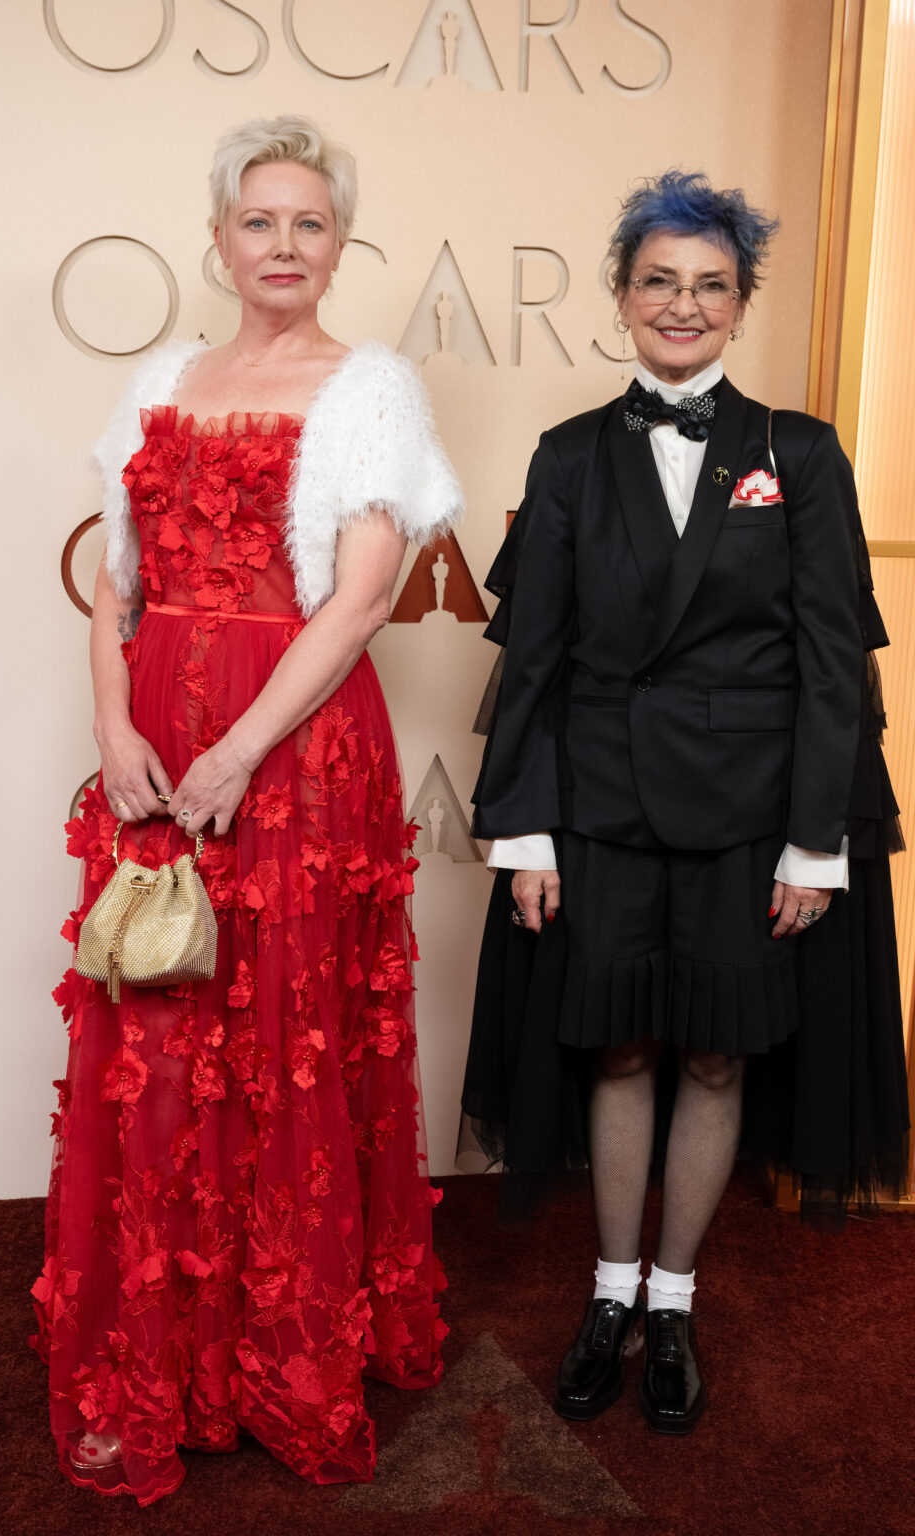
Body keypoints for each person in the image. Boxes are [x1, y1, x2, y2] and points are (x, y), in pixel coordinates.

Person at [32, 116, 461, 1503]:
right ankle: (169, 1354)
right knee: (161, 1025)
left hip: (297, 746)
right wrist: (116, 726)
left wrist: (237, 756)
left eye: (311, 224)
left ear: (342, 244)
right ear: (217, 236)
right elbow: (118, 585)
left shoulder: (371, 385)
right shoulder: (161, 376)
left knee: (283, 1037)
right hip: (157, 735)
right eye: (259, 221)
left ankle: (280, 1361)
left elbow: (357, 599)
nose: (284, 246)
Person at [464, 171, 908, 1436]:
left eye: (710, 285)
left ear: (738, 307)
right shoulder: (563, 457)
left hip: (749, 818)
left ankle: (673, 1300)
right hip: (599, 810)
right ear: (619, 297)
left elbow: (833, 662)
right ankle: (607, 1293)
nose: (682, 303)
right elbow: (533, 657)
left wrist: (814, 844)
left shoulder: (799, 453)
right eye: (658, 280)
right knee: (622, 1047)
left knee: (713, 1055)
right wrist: (528, 827)